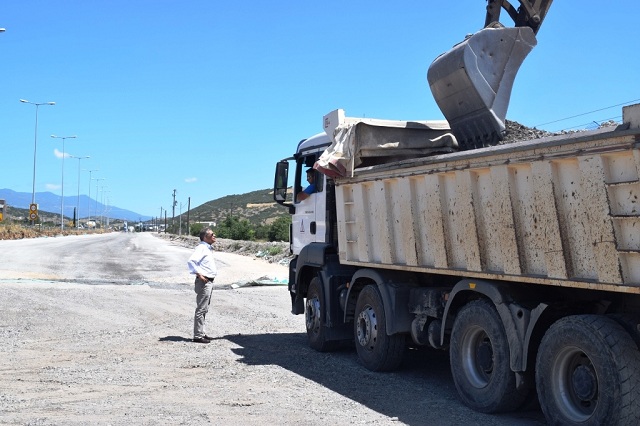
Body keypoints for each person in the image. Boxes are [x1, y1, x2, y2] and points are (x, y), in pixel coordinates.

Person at [187, 227, 217, 343]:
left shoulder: (207, 248)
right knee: (201, 309)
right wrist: (199, 275)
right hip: (204, 281)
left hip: (209, 281)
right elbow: (191, 261)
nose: (214, 236)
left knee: (204, 309)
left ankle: (202, 333)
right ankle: (198, 336)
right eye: (212, 234)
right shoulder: (201, 248)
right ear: (205, 237)